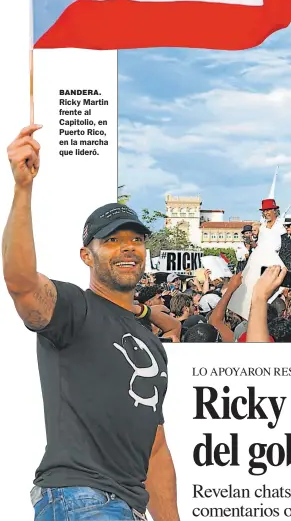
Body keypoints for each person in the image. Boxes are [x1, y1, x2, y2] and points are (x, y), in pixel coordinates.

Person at [2, 125, 180, 521]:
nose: (128, 247)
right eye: (113, 240)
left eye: (135, 239)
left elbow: (154, 449)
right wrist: (22, 189)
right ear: (87, 255)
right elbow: (21, 282)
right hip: (83, 499)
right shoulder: (73, 309)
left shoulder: (150, 344)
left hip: (125, 507)